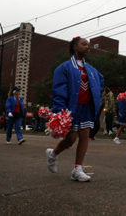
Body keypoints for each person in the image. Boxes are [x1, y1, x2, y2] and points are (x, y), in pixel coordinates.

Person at [46, 36, 104, 182]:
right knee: (70, 139)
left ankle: (77, 169)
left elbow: (100, 81)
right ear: (75, 47)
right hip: (71, 108)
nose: (87, 47)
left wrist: (96, 98)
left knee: (85, 135)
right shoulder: (64, 68)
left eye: (88, 45)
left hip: (87, 108)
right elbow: (59, 90)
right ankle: (53, 154)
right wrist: (60, 110)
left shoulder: (91, 69)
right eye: (84, 44)